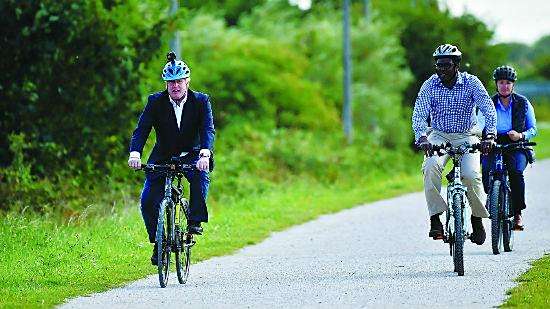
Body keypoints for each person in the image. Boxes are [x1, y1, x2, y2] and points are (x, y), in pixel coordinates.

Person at [128, 52, 215, 265]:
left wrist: (205, 152)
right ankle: (159, 241)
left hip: (193, 153)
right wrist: (135, 153)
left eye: (179, 81)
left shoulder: (201, 101)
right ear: (166, 84)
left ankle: (194, 220)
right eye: (170, 82)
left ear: (187, 81)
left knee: (200, 176)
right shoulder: (155, 102)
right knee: (148, 201)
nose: (175, 86)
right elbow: (142, 129)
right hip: (163, 154)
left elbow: (207, 129)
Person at [412, 44, 497, 245]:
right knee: (431, 166)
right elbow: (419, 114)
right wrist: (422, 137)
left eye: (446, 65)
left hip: (467, 135)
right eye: (438, 66)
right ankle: (435, 219)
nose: (441, 70)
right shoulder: (430, 85)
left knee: (471, 175)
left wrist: (490, 136)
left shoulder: (471, 83)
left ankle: (477, 219)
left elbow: (488, 109)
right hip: (439, 134)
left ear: (456, 65)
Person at [481, 65, 537, 231]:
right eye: (501, 82)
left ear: (513, 85)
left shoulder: (523, 103)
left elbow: (533, 129)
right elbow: (479, 124)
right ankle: (491, 196)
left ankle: (518, 213)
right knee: (485, 170)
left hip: (516, 144)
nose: (504, 86)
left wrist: (520, 135)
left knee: (516, 172)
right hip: (493, 143)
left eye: (508, 83)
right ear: (496, 84)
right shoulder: (488, 103)